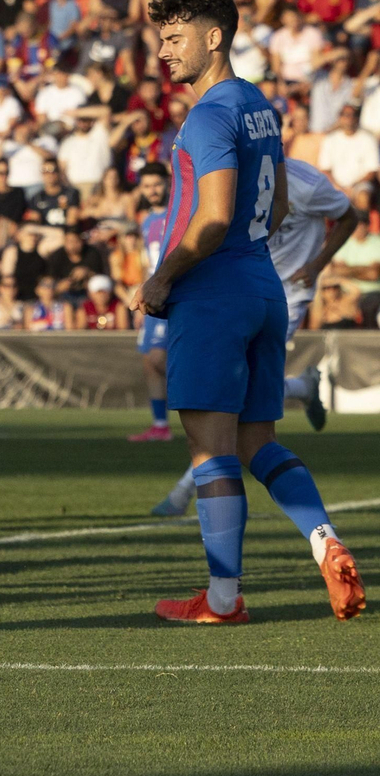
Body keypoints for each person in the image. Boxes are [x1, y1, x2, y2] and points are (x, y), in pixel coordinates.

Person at [131, 0, 363, 624]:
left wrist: (161, 279)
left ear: (215, 38)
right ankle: (325, 541)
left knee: (211, 450)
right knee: (259, 440)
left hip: (212, 292)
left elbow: (210, 219)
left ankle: (224, 600)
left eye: (176, 38)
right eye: (160, 39)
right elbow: (281, 204)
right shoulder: (260, 105)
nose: (164, 51)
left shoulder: (208, 115)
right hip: (264, 289)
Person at [153, 157, 360, 515]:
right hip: (243, 289)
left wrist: (316, 265)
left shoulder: (305, 183)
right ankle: (302, 387)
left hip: (287, 294)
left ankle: (186, 490)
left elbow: (349, 216)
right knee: (236, 392)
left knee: (232, 396)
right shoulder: (228, 177)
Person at [128, 163, 175, 443]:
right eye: (146, 186)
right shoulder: (146, 221)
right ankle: (160, 425)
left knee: (159, 357)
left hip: (173, 293)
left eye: (156, 184)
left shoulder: (179, 213)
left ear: (168, 184)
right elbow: (148, 263)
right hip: (154, 294)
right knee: (149, 360)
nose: (152, 191)